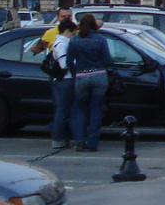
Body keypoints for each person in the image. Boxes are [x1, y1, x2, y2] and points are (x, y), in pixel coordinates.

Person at [65, 14, 113, 152]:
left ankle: (80, 141)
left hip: (81, 75)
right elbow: (108, 60)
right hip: (99, 75)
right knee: (96, 109)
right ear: (94, 25)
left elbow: (69, 61)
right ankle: (93, 143)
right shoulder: (100, 39)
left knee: (80, 110)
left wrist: (76, 72)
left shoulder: (74, 40)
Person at [33, 14, 77, 150]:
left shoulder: (58, 43)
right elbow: (64, 64)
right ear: (67, 31)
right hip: (66, 80)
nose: (73, 36)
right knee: (63, 110)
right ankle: (57, 137)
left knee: (62, 109)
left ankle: (60, 136)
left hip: (60, 80)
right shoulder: (63, 45)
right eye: (72, 33)